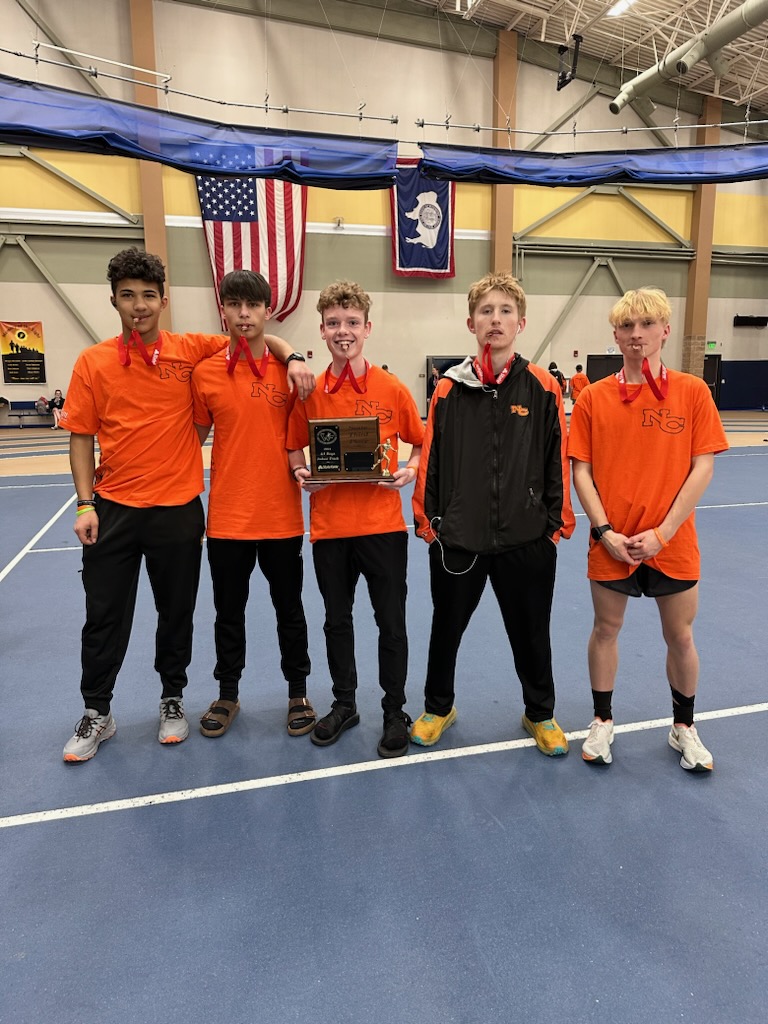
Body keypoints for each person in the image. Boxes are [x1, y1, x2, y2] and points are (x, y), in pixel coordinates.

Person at [60, 247, 314, 763]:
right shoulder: (97, 362)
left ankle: (175, 699)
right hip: (117, 508)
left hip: (180, 509)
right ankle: (97, 711)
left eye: (148, 296)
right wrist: (85, 504)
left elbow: (260, 338)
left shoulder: (193, 349)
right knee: (105, 615)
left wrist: (295, 355)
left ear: (164, 300)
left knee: (178, 615)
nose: (138, 306)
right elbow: (82, 436)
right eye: (128, 296)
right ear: (113, 301)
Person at [411, 271, 575, 755]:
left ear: (521, 323)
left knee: (532, 632)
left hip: (527, 540)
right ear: (471, 322)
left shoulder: (543, 385)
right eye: (486, 311)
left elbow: (557, 462)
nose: (495, 320)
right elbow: (431, 459)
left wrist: (553, 528)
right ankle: (438, 707)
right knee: (446, 628)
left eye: (505, 311)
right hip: (459, 538)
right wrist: (430, 523)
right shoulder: (448, 388)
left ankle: (539, 713)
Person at [568, 287, 728, 772]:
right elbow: (581, 471)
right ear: (615, 335)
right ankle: (602, 722)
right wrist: (605, 531)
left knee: (680, 635)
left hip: (672, 544)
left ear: (665, 330)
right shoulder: (594, 397)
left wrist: (662, 533)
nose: (637, 335)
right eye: (627, 327)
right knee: (605, 629)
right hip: (612, 544)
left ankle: (684, 728)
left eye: (646, 325)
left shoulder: (693, 391)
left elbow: (702, 467)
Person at [287, 280, 424, 758]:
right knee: (336, 622)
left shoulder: (392, 388)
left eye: (351, 323)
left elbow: (423, 441)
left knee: (392, 624)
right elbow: (292, 446)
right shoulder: (309, 391)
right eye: (332, 324)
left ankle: (394, 709)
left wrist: (409, 470)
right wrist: (303, 471)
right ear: (321, 331)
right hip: (329, 531)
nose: (342, 332)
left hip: (384, 529)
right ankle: (345, 703)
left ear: (367, 328)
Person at [191, 270, 313, 739]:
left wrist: (295, 355)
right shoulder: (205, 373)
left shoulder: (291, 372)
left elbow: (307, 435)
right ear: (223, 309)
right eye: (235, 304)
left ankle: (298, 693)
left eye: (253, 305)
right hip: (226, 520)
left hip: (281, 518)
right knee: (228, 613)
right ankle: (227, 693)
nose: (244, 314)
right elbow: (192, 440)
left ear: (268, 311)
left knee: (290, 611)